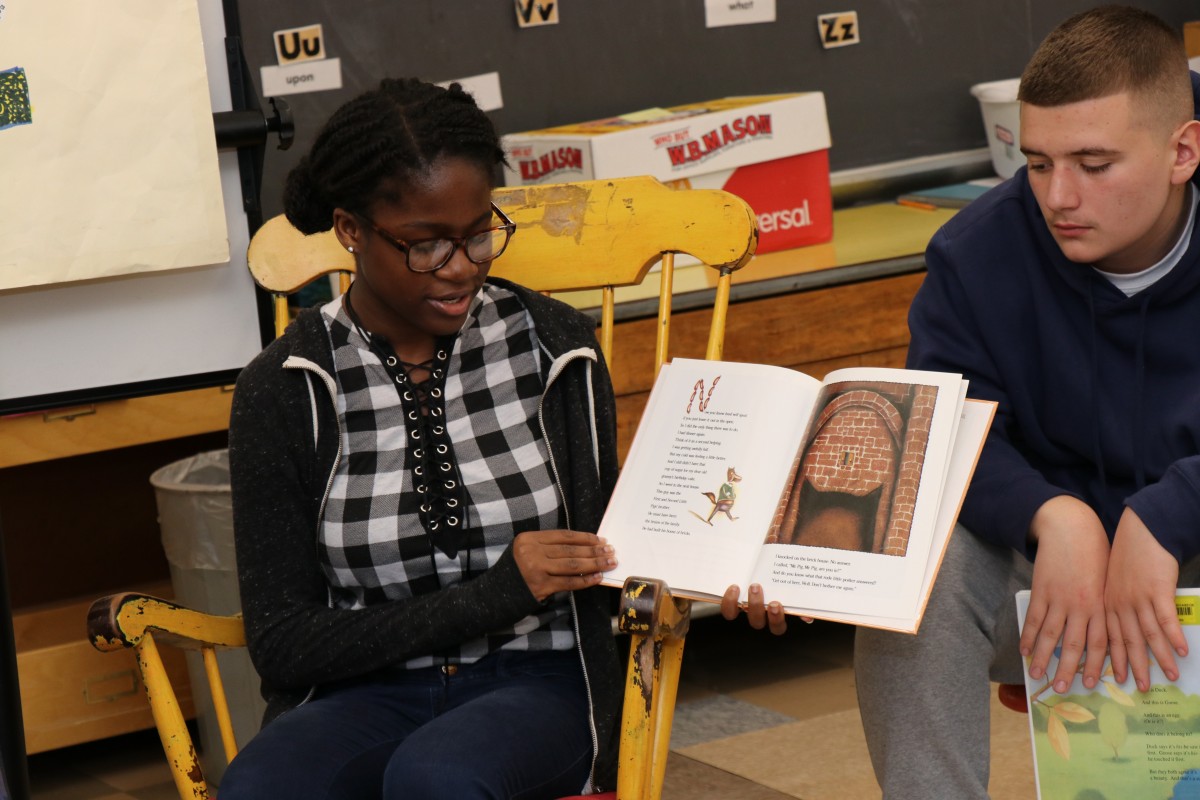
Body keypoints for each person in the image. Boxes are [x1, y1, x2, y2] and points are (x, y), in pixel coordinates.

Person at [222, 77, 624, 799]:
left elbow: (620, 554)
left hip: (541, 681)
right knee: (262, 787)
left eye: (478, 234)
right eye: (427, 245)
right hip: (362, 694)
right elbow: (283, 644)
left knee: (435, 779)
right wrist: (494, 594)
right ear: (350, 229)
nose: (464, 265)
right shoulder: (286, 385)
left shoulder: (554, 348)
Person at [852, 7, 1200, 798]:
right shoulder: (979, 252)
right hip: (1051, 577)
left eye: (1093, 163)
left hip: (1187, 549)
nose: (1058, 196)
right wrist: (1053, 515)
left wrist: (1170, 514)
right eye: (1038, 163)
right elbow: (945, 428)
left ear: (1183, 150)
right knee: (916, 578)